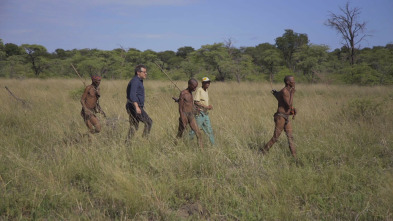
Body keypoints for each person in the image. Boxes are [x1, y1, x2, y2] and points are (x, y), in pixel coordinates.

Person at [262, 75, 297, 157]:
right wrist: (292, 93)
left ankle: (295, 157)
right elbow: (288, 105)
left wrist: (293, 110)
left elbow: (285, 103)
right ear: (288, 82)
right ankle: (262, 152)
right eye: (292, 81)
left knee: (290, 137)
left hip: (286, 117)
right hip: (281, 117)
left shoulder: (286, 91)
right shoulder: (285, 91)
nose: (294, 82)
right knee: (275, 137)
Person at [125, 64, 153, 142]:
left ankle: (127, 143)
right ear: (138, 72)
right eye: (144, 72)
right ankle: (144, 140)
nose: (146, 73)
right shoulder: (135, 81)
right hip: (133, 106)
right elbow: (132, 95)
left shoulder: (139, 81)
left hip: (133, 106)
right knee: (149, 122)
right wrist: (137, 107)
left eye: (145, 72)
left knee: (134, 126)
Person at [177, 79, 203, 149]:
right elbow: (180, 108)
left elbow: (190, 104)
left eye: (196, 87)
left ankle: (201, 151)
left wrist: (196, 108)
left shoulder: (191, 93)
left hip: (191, 116)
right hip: (184, 116)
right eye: (194, 87)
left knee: (198, 133)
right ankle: (175, 147)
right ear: (189, 85)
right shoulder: (183, 93)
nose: (195, 88)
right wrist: (182, 119)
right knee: (180, 134)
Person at [189, 77, 215, 145]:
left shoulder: (206, 91)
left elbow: (203, 102)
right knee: (195, 130)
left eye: (209, 82)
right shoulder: (199, 90)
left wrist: (209, 106)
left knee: (209, 130)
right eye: (206, 82)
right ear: (203, 83)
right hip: (200, 113)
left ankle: (214, 146)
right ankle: (187, 142)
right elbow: (196, 102)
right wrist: (206, 106)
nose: (208, 84)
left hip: (205, 113)